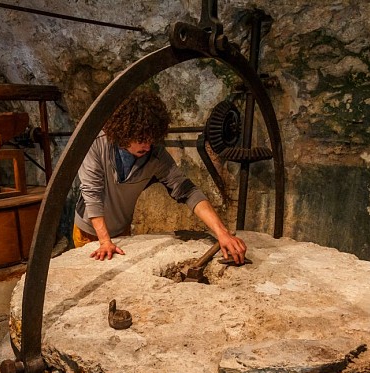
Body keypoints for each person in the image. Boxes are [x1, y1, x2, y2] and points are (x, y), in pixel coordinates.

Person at [73, 88, 247, 263]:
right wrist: (104, 241)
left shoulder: (155, 154)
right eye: (141, 140)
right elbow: (91, 192)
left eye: (151, 140)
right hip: (89, 231)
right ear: (123, 133)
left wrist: (222, 233)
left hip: (121, 229)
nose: (147, 147)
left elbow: (188, 191)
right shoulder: (97, 143)